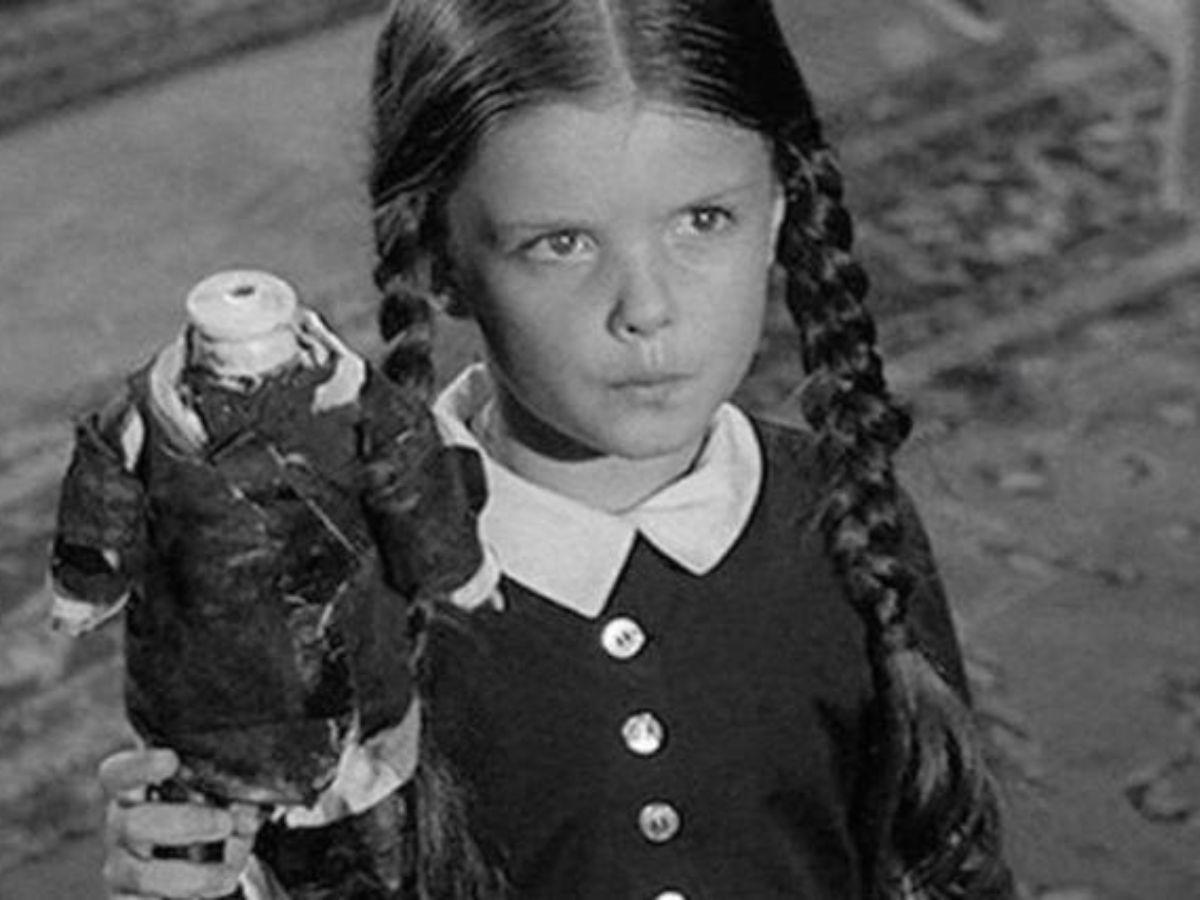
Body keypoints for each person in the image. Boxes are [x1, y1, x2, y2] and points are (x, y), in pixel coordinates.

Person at [99, 0, 1017, 897]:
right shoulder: (342, 587)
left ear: (778, 207)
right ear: (439, 260)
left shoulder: (846, 515)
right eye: (562, 244)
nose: (647, 308)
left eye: (703, 219)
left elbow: (950, 865)